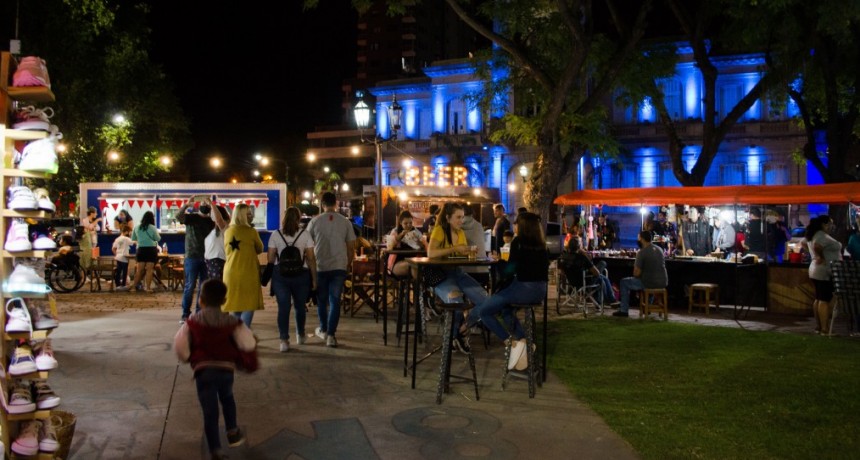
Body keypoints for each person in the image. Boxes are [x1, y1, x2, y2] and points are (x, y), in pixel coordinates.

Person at [173, 279, 254, 460]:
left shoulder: (192, 322)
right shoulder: (231, 321)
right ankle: (232, 430)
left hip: (204, 372)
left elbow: (180, 346)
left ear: (201, 300)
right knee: (227, 398)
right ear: (224, 301)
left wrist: (188, 357)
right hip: (225, 370)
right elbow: (248, 342)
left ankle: (216, 450)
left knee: (210, 412)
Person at [464, 212, 548, 369]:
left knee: (485, 311)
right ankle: (525, 342)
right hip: (540, 291)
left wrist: (498, 261)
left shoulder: (518, 243)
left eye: (516, 223)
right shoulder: (542, 246)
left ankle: (512, 343)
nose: (514, 225)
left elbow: (509, 271)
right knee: (505, 310)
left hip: (522, 289)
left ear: (523, 227)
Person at [427, 202, 488, 352]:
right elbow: (431, 253)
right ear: (448, 218)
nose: (461, 221)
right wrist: (455, 248)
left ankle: (464, 327)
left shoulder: (460, 233)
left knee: (486, 301)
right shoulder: (440, 230)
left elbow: (460, 254)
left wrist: (468, 251)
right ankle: (453, 338)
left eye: (462, 217)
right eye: (458, 217)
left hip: (458, 272)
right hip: (441, 275)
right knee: (456, 301)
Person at [307, 192, 356, 348]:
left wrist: (310, 266)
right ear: (335, 203)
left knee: (322, 301)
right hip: (339, 266)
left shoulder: (314, 222)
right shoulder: (345, 222)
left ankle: (323, 328)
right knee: (335, 300)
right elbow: (351, 247)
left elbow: (307, 246)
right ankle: (331, 336)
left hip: (320, 266)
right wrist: (348, 264)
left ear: (322, 205)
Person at [264, 206, 317, 352]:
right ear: (298, 219)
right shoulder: (305, 235)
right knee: (300, 307)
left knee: (284, 308)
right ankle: (300, 335)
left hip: (280, 276)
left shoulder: (276, 235)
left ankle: (284, 340)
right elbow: (311, 258)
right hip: (301, 275)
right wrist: (314, 278)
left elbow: (270, 258)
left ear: (284, 218)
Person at [222, 203, 264, 328]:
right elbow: (260, 248)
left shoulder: (228, 231)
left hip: (230, 273)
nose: (251, 216)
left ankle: (235, 338)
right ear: (243, 216)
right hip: (248, 272)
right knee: (248, 305)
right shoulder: (251, 232)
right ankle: (243, 336)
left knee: (235, 306)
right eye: (249, 214)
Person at [177, 195, 216, 323]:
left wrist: (212, 204)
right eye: (203, 202)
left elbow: (223, 221)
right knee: (190, 286)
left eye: (207, 202)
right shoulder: (191, 217)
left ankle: (199, 313)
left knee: (203, 287)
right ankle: (185, 314)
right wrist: (187, 205)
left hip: (207, 257)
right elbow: (178, 216)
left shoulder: (212, 221)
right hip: (192, 256)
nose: (205, 204)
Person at [613, 230, 668, 317]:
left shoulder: (642, 253)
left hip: (649, 282)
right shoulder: (660, 249)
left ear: (642, 239)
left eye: (638, 238)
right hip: (663, 282)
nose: (638, 240)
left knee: (624, 282)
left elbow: (636, 274)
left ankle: (624, 310)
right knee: (649, 278)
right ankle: (648, 306)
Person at [804, 215, 842, 334]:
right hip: (824, 270)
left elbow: (803, 244)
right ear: (824, 224)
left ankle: (819, 327)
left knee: (819, 298)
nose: (832, 226)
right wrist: (820, 257)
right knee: (824, 299)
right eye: (830, 223)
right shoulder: (821, 235)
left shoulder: (813, 234)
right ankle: (825, 328)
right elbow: (817, 246)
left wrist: (814, 257)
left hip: (816, 269)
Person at [559, 236, 616, 306]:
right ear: (579, 246)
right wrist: (584, 253)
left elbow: (563, 272)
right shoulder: (581, 258)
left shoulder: (564, 257)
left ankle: (607, 300)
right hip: (584, 281)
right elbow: (596, 273)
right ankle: (609, 300)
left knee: (603, 278)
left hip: (571, 281)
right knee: (602, 266)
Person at [122, 211, 160, 292]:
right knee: (149, 270)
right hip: (151, 250)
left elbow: (133, 239)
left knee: (139, 270)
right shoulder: (153, 227)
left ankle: (133, 288)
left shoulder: (137, 227)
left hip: (141, 250)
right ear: (152, 218)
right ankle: (148, 288)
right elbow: (158, 239)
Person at [386, 210, 426, 278]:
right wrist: (401, 235)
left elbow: (424, 246)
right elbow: (390, 245)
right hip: (396, 263)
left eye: (410, 223)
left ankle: (419, 286)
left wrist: (419, 243)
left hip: (414, 259)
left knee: (419, 265)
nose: (409, 225)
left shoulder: (416, 232)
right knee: (414, 265)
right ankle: (420, 287)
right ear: (400, 223)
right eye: (406, 223)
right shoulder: (395, 231)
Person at [204, 205, 230, 280]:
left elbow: (219, 220)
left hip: (218, 260)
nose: (211, 214)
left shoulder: (224, 225)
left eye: (212, 212)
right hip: (210, 261)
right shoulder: (213, 228)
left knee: (217, 287)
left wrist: (210, 203)